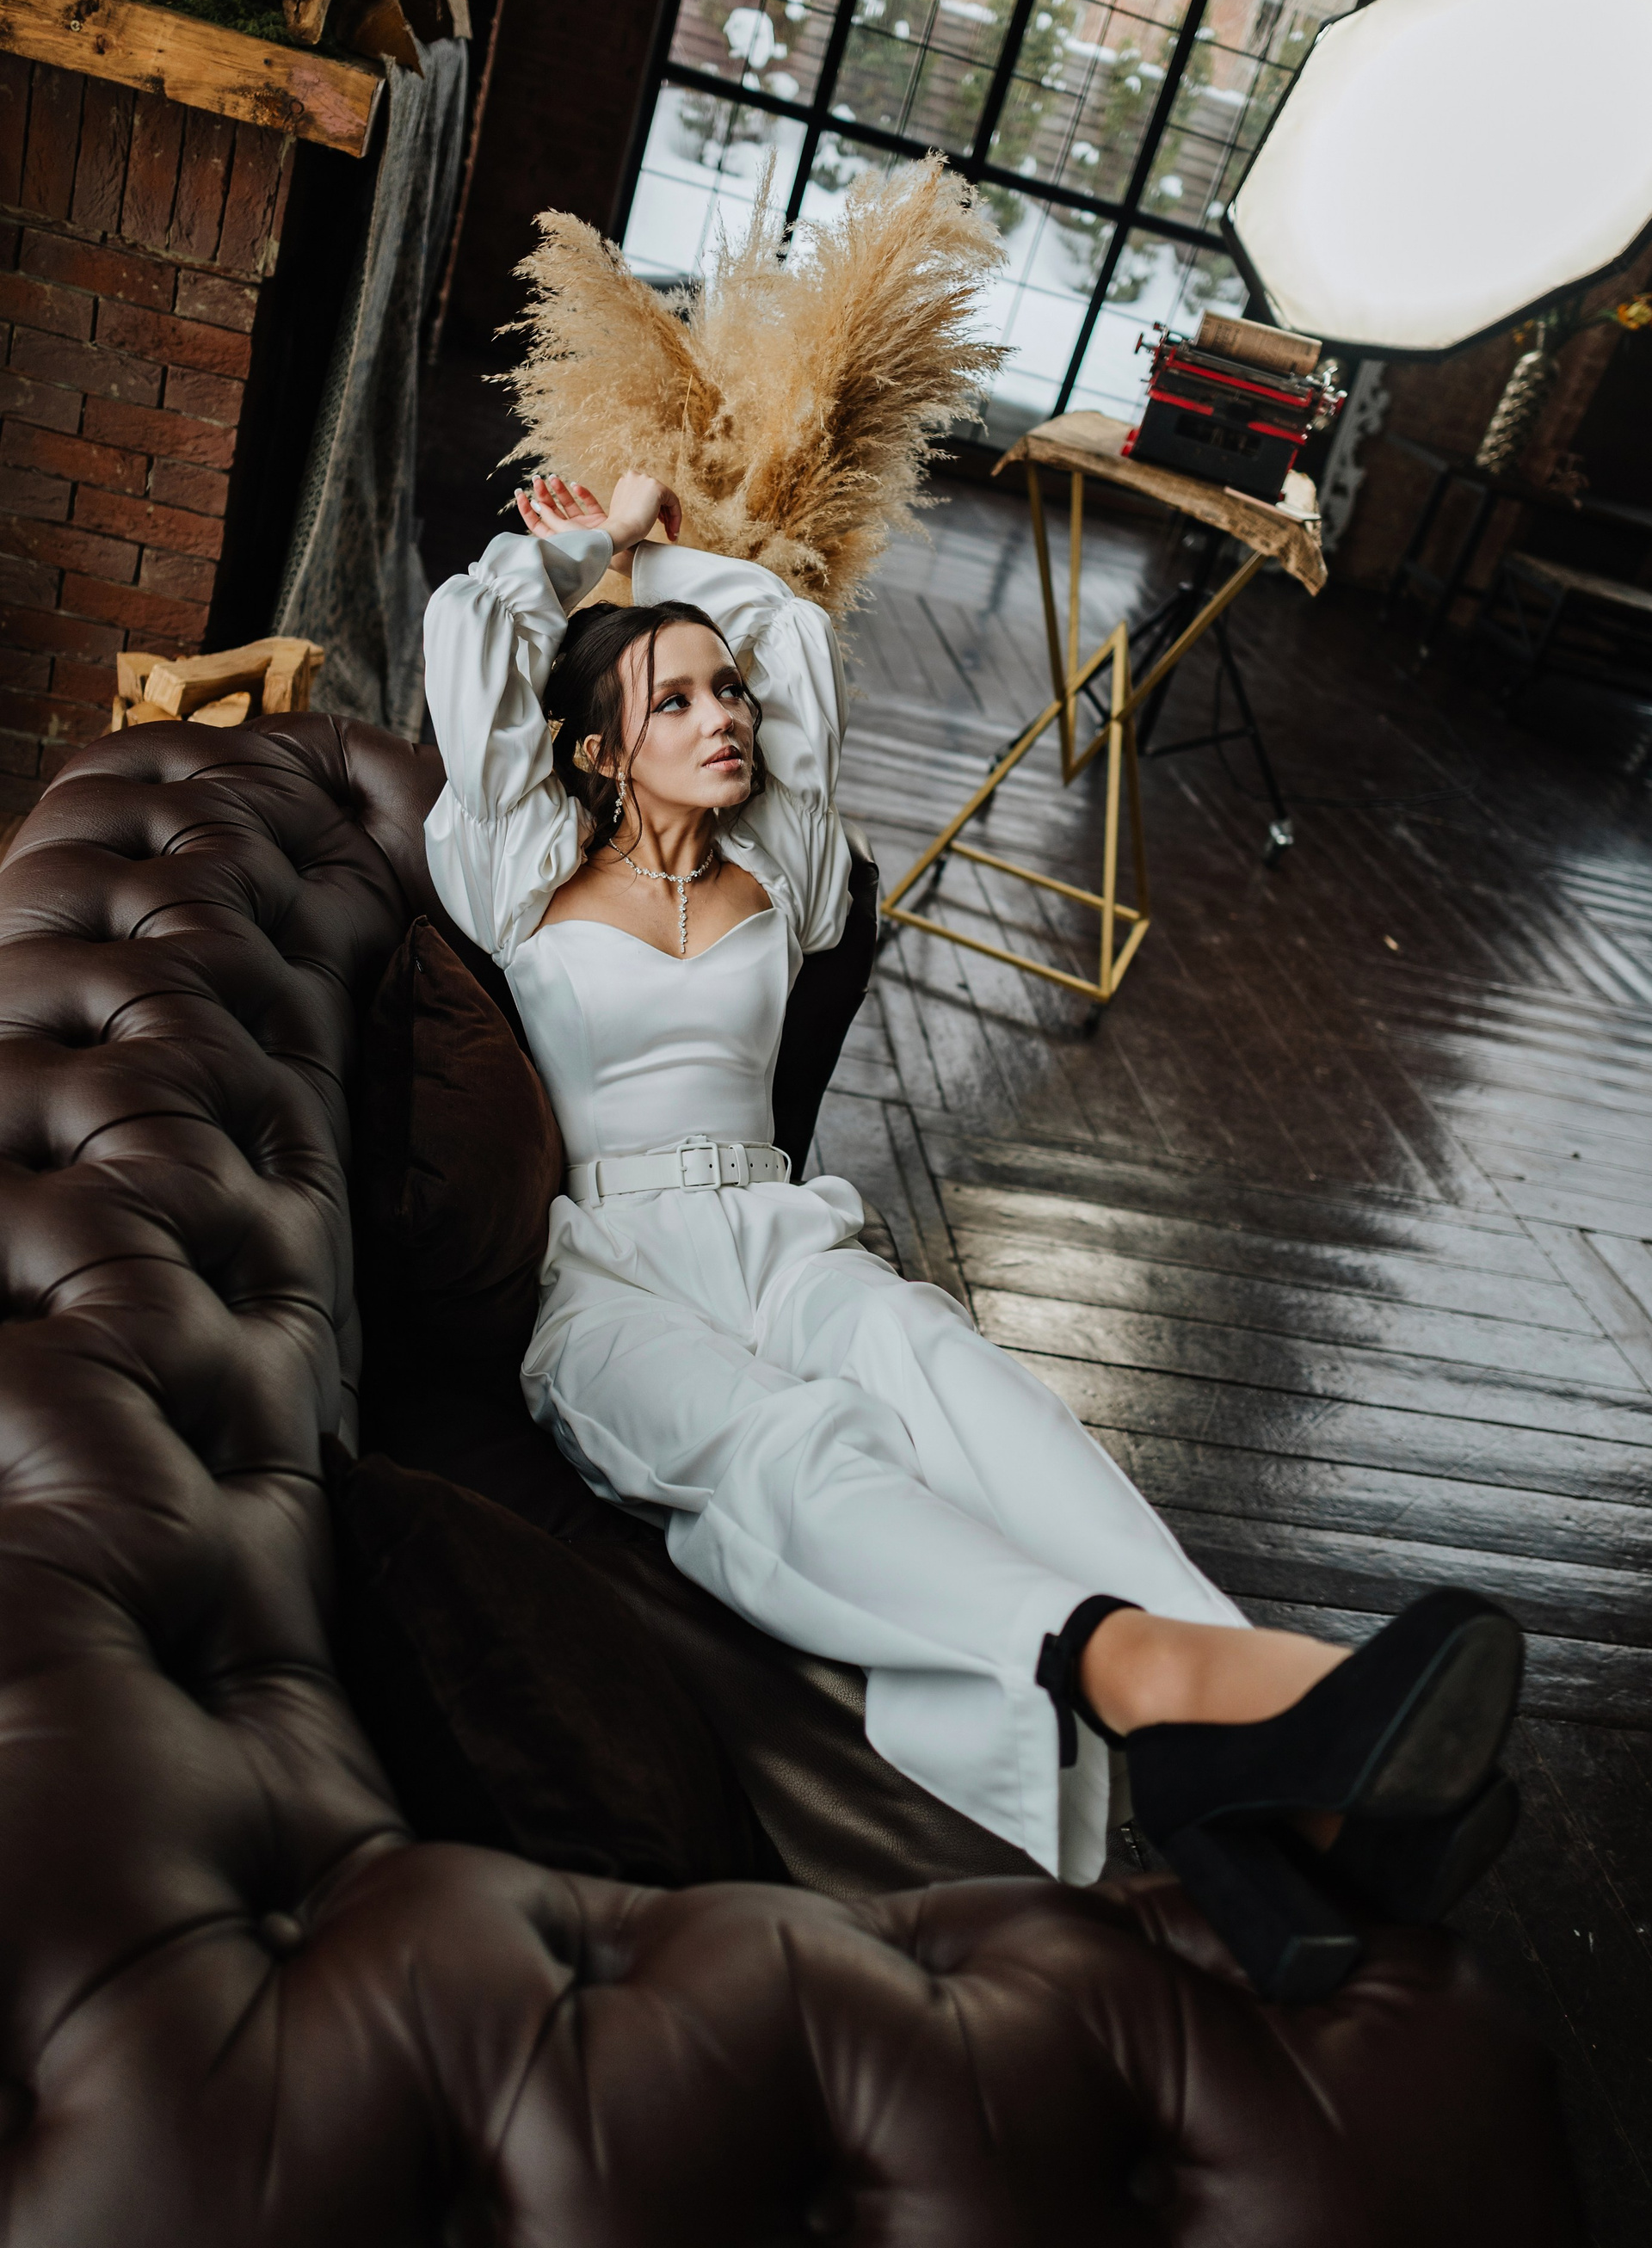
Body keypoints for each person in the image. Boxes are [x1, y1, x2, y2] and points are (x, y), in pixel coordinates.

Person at [422, 466, 1522, 1999]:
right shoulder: (524, 868)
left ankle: (1270, 1752)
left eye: (726, 693)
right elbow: (471, 648)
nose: (725, 714)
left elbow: (790, 633)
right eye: (675, 702)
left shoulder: (785, 866)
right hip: (614, 1278)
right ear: (602, 752)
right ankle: (1192, 1703)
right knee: (791, 1451)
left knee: (967, 1388)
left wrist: (676, 560)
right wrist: (595, 549)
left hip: (784, 1236)